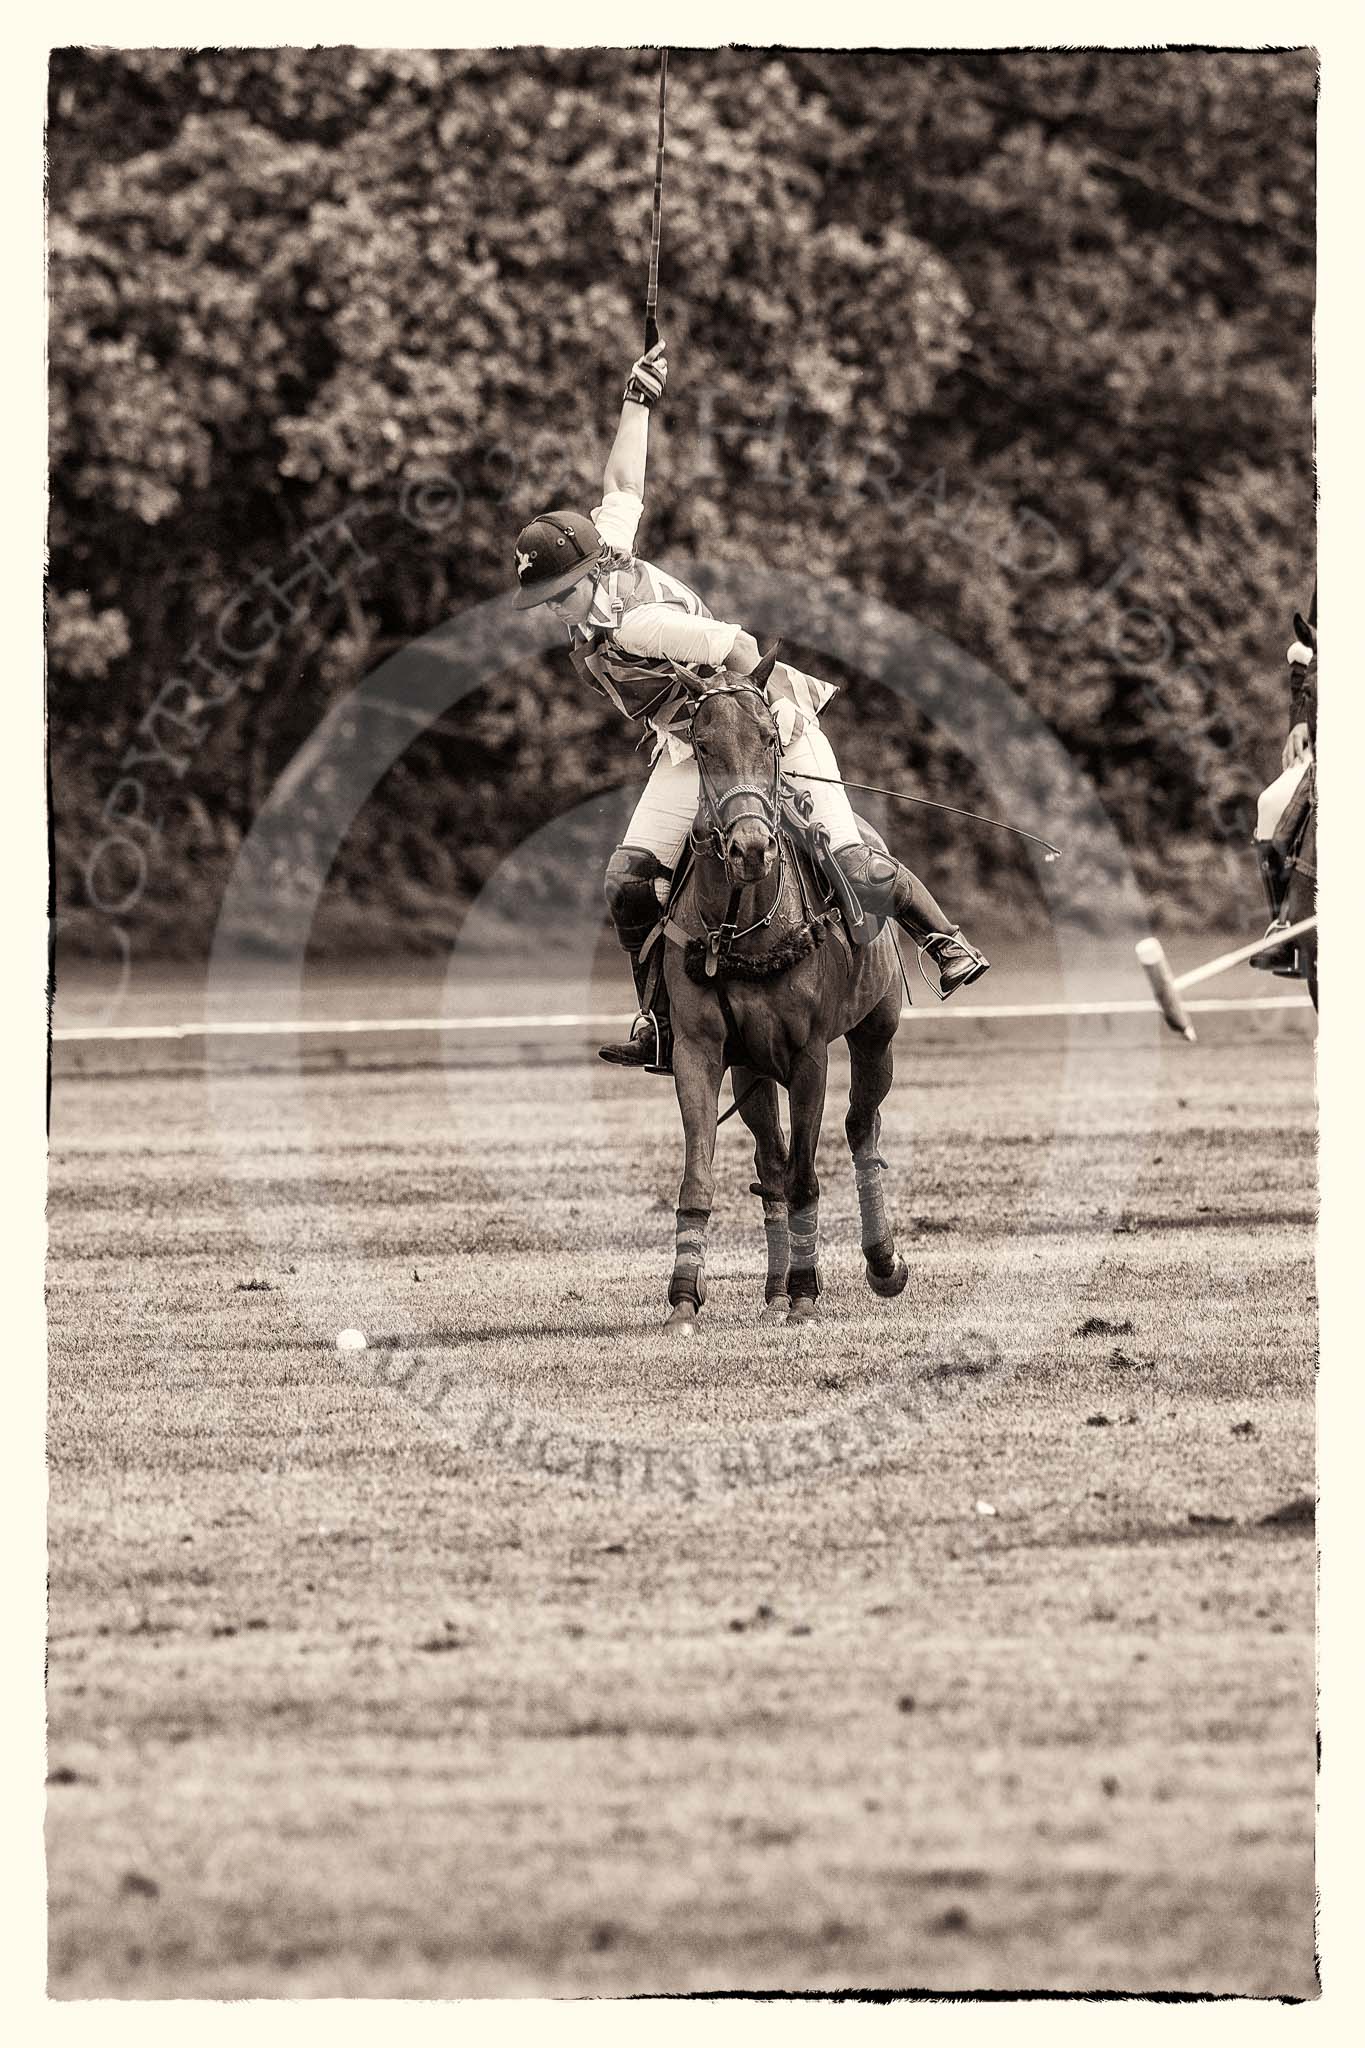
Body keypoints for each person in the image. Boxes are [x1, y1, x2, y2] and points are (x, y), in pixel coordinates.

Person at [511, 342, 989, 1074]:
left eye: (558, 594)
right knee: (628, 879)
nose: (553, 611)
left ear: (589, 573)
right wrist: (636, 401)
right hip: (691, 747)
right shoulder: (605, 553)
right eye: (544, 600)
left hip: (766, 730)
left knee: (853, 860)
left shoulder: (638, 623)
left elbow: (737, 646)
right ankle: (660, 1020)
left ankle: (943, 941)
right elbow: (621, 483)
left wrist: (756, 742)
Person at [1248, 601, 1316, 976]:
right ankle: (1285, 929)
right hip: (1329, 743)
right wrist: (1302, 722)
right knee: (1271, 803)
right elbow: (1303, 669)